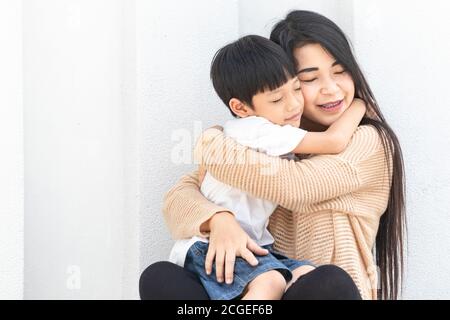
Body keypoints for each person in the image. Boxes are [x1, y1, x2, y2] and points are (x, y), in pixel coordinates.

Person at [140, 10, 406, 300]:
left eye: (340, 71)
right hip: (262, 287)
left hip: (322, 294)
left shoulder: (369, 142)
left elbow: (295, 184)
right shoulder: (264, 142)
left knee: (329, 280)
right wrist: (219, 220)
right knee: (159, 277)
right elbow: (178, 198)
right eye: (310, 78)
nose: (331, 89)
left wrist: (209, 144)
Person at [168, 35, 366, 300]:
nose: (294, 104)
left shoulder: (253, 132)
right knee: (271, 282)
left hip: (257, 248)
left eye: (296, 88)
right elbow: (334, 141)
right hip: (211, 247)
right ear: (241, 108)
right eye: (277, 100)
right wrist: (360, 104)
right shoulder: (259, 130)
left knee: (307, 272)